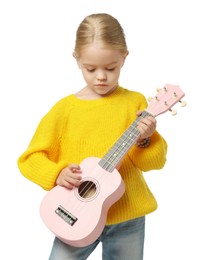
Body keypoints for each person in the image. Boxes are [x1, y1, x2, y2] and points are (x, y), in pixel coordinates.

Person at [17, 13, 167, 260]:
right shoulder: (65, 110)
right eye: (91, 68)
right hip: (75, 215)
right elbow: (30, 158)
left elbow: (154, 163)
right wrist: (56, 174)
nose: (101, 76)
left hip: (127, 218)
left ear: (124, 58)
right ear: (77, 60)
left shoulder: (136, 103)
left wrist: (146, 138)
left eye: (110, 68)